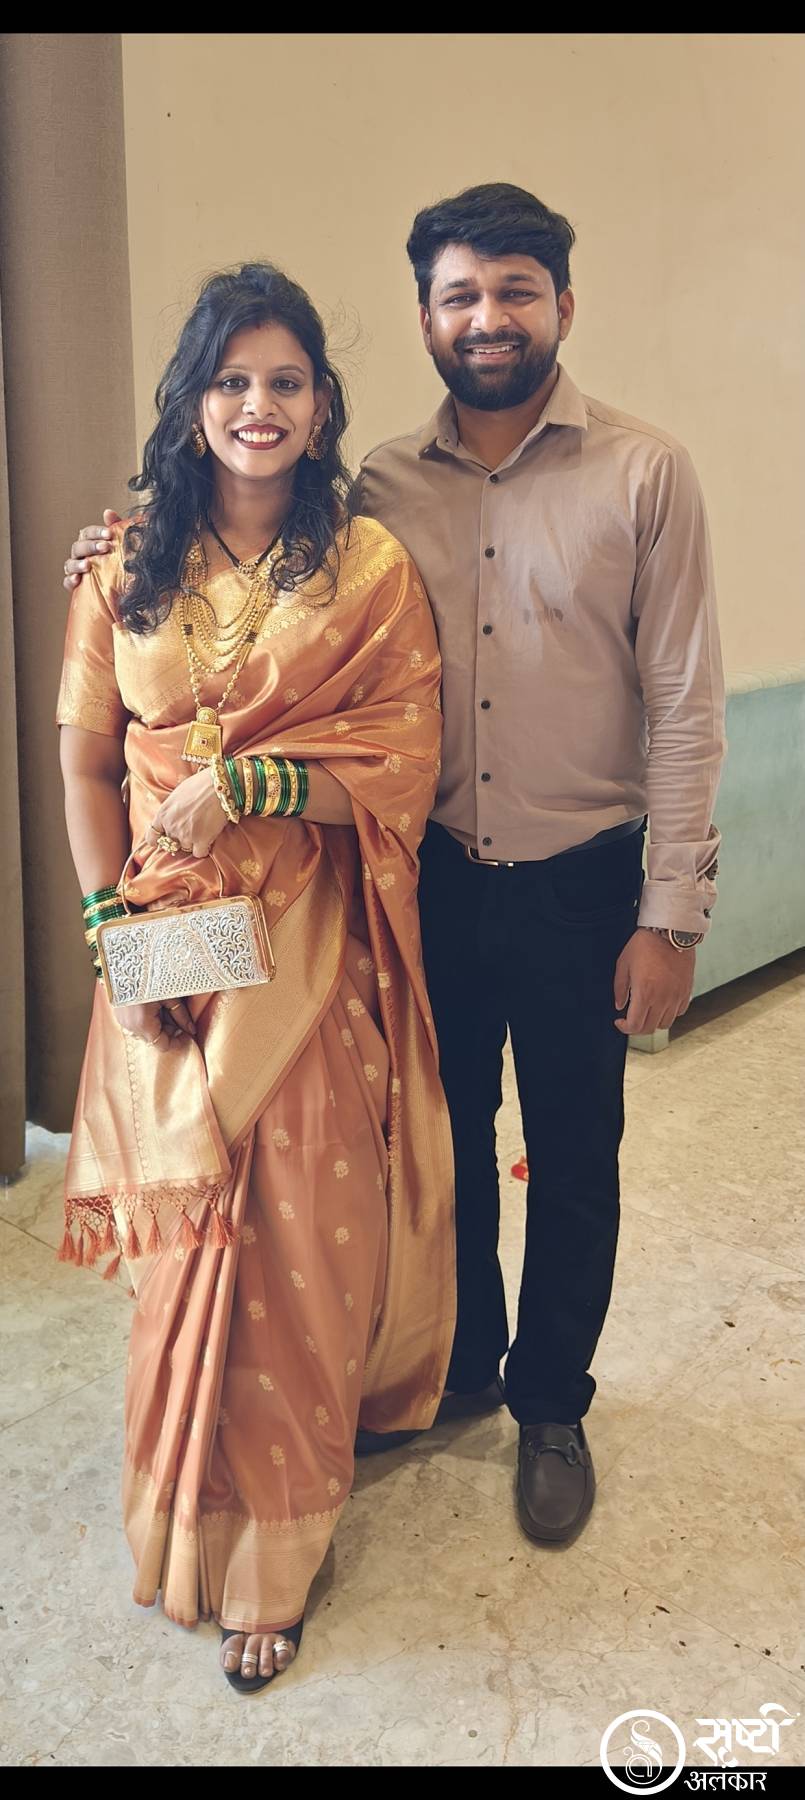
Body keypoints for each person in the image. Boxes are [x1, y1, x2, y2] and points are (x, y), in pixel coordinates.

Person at [64, 180, 725, 1551]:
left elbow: (684, 705)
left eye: (514, 291)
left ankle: (552, 1404)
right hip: (411, 879)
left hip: (577, 877)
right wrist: (114, 548)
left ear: (562, 304)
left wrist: (669, 917)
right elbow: (234, 599)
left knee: (574, 1152)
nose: (488, 318)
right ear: (425, 319)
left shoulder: (642, 473)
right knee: (432, 1141)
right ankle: (457, 1360)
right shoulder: (371, 493)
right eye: (459, 295)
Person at [57, 261, 454, 1692]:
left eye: (287, 381)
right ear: (192, 404)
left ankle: (273, 1559)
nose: (259, 405)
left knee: (294, 1245)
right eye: (232, 381)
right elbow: (84, 758)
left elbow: (401, 769)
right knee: (190, 1239)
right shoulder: (123, 564)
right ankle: (181, 1507)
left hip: (303, 950)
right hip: (164, 941)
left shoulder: (366, 568)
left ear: (324, 406)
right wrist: (107, 930)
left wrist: (257, 782)